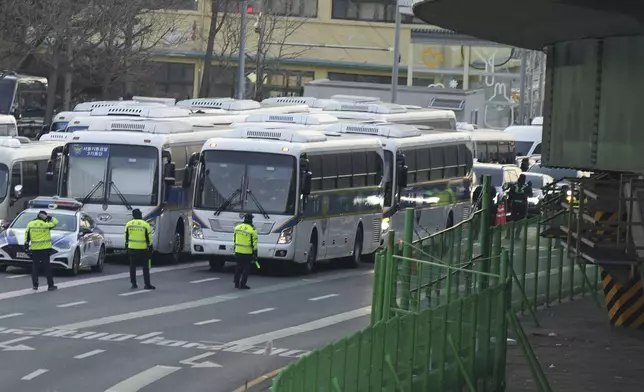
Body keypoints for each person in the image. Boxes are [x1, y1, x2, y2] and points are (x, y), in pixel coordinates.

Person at [24, 211, 59, 291]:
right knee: (47, 267)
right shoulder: (46, 225)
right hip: (45, 249)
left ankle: (35, 285)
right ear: (44, 217)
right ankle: (50, 285)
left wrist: (26, 244)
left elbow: (27, 234)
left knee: (35, 267)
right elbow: (56, 222)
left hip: (35, 249)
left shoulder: (31, 224)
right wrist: (50, 218)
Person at [125, 208, 155, 290]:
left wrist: (127, 246)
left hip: (131, 248)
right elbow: (149, 238)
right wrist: (150, 247)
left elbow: (126, 237)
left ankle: (133, 284)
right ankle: (147, 284)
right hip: (143, 250)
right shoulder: (145, 224)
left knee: (132, 267)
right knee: (146, 267)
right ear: (140, 215)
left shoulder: (129, 224)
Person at [233, 213, 258, 290]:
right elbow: (254, 243)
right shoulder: (252, 230)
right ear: (251, 220)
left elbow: (234, 239)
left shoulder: (237, 227)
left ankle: (236, 283)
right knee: (246, 269)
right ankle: (242, 284)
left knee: (238, 267)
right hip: (247, 252)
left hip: (238, 251)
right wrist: (255, 253)